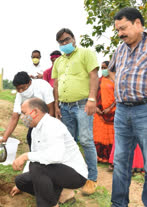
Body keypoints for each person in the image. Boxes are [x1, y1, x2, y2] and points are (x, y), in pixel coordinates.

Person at [96, 8, 147, 207]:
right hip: (122, 112)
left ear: (138, 23)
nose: (120, 33)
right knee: (120, 162)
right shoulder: (120, 49)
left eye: (123, 28)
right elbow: (111, 70)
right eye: (118, 30)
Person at [11, 98, 88, 207]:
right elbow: (36, 153)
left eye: (24, 113)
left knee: (36, 165)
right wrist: (21, 184)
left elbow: (55, 156)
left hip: (74, 174)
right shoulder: (35, 129)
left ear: (35, 112)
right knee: (21, 181)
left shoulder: (53, 126)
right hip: (54, 171)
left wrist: (26, 156)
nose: (22, 117)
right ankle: (60, 195)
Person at [52, 28, 99, 195]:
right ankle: (72, 175)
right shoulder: (58, 61)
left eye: (67, 40)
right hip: (64, 107)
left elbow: (94, 76)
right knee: (68, 142)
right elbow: (56, 85)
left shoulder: (86, 53)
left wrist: (92, 99)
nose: (64, 44)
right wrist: (57, 106)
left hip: (82, 105)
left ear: (73, 38)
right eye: (61, 42)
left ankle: (91, 178)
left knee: (86, 141)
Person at [0, 72, 54, 149]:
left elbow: (51, 109)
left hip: (48, 112)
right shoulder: (19, 95)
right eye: (18, 89)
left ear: (29, 82)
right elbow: (14, 117)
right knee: (30, 137)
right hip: (35, 115)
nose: (21, 91)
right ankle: (34, 157)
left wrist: (48, 128)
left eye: (23, 88)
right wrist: (5, 137)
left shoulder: (42, 86)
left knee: (46, 138)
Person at [93, 61, 115, 164]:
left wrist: (110, 108)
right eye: (102, 67)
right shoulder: (99, 80)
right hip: (99, 113)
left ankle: (110, 158)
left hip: (112, 112)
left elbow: (118, 96)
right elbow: (93, 94)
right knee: (99, 135)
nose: (103, 69)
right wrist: (96, 107)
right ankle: (100, 157)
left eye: (105, 67)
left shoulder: (115, 81)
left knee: (112, 136)